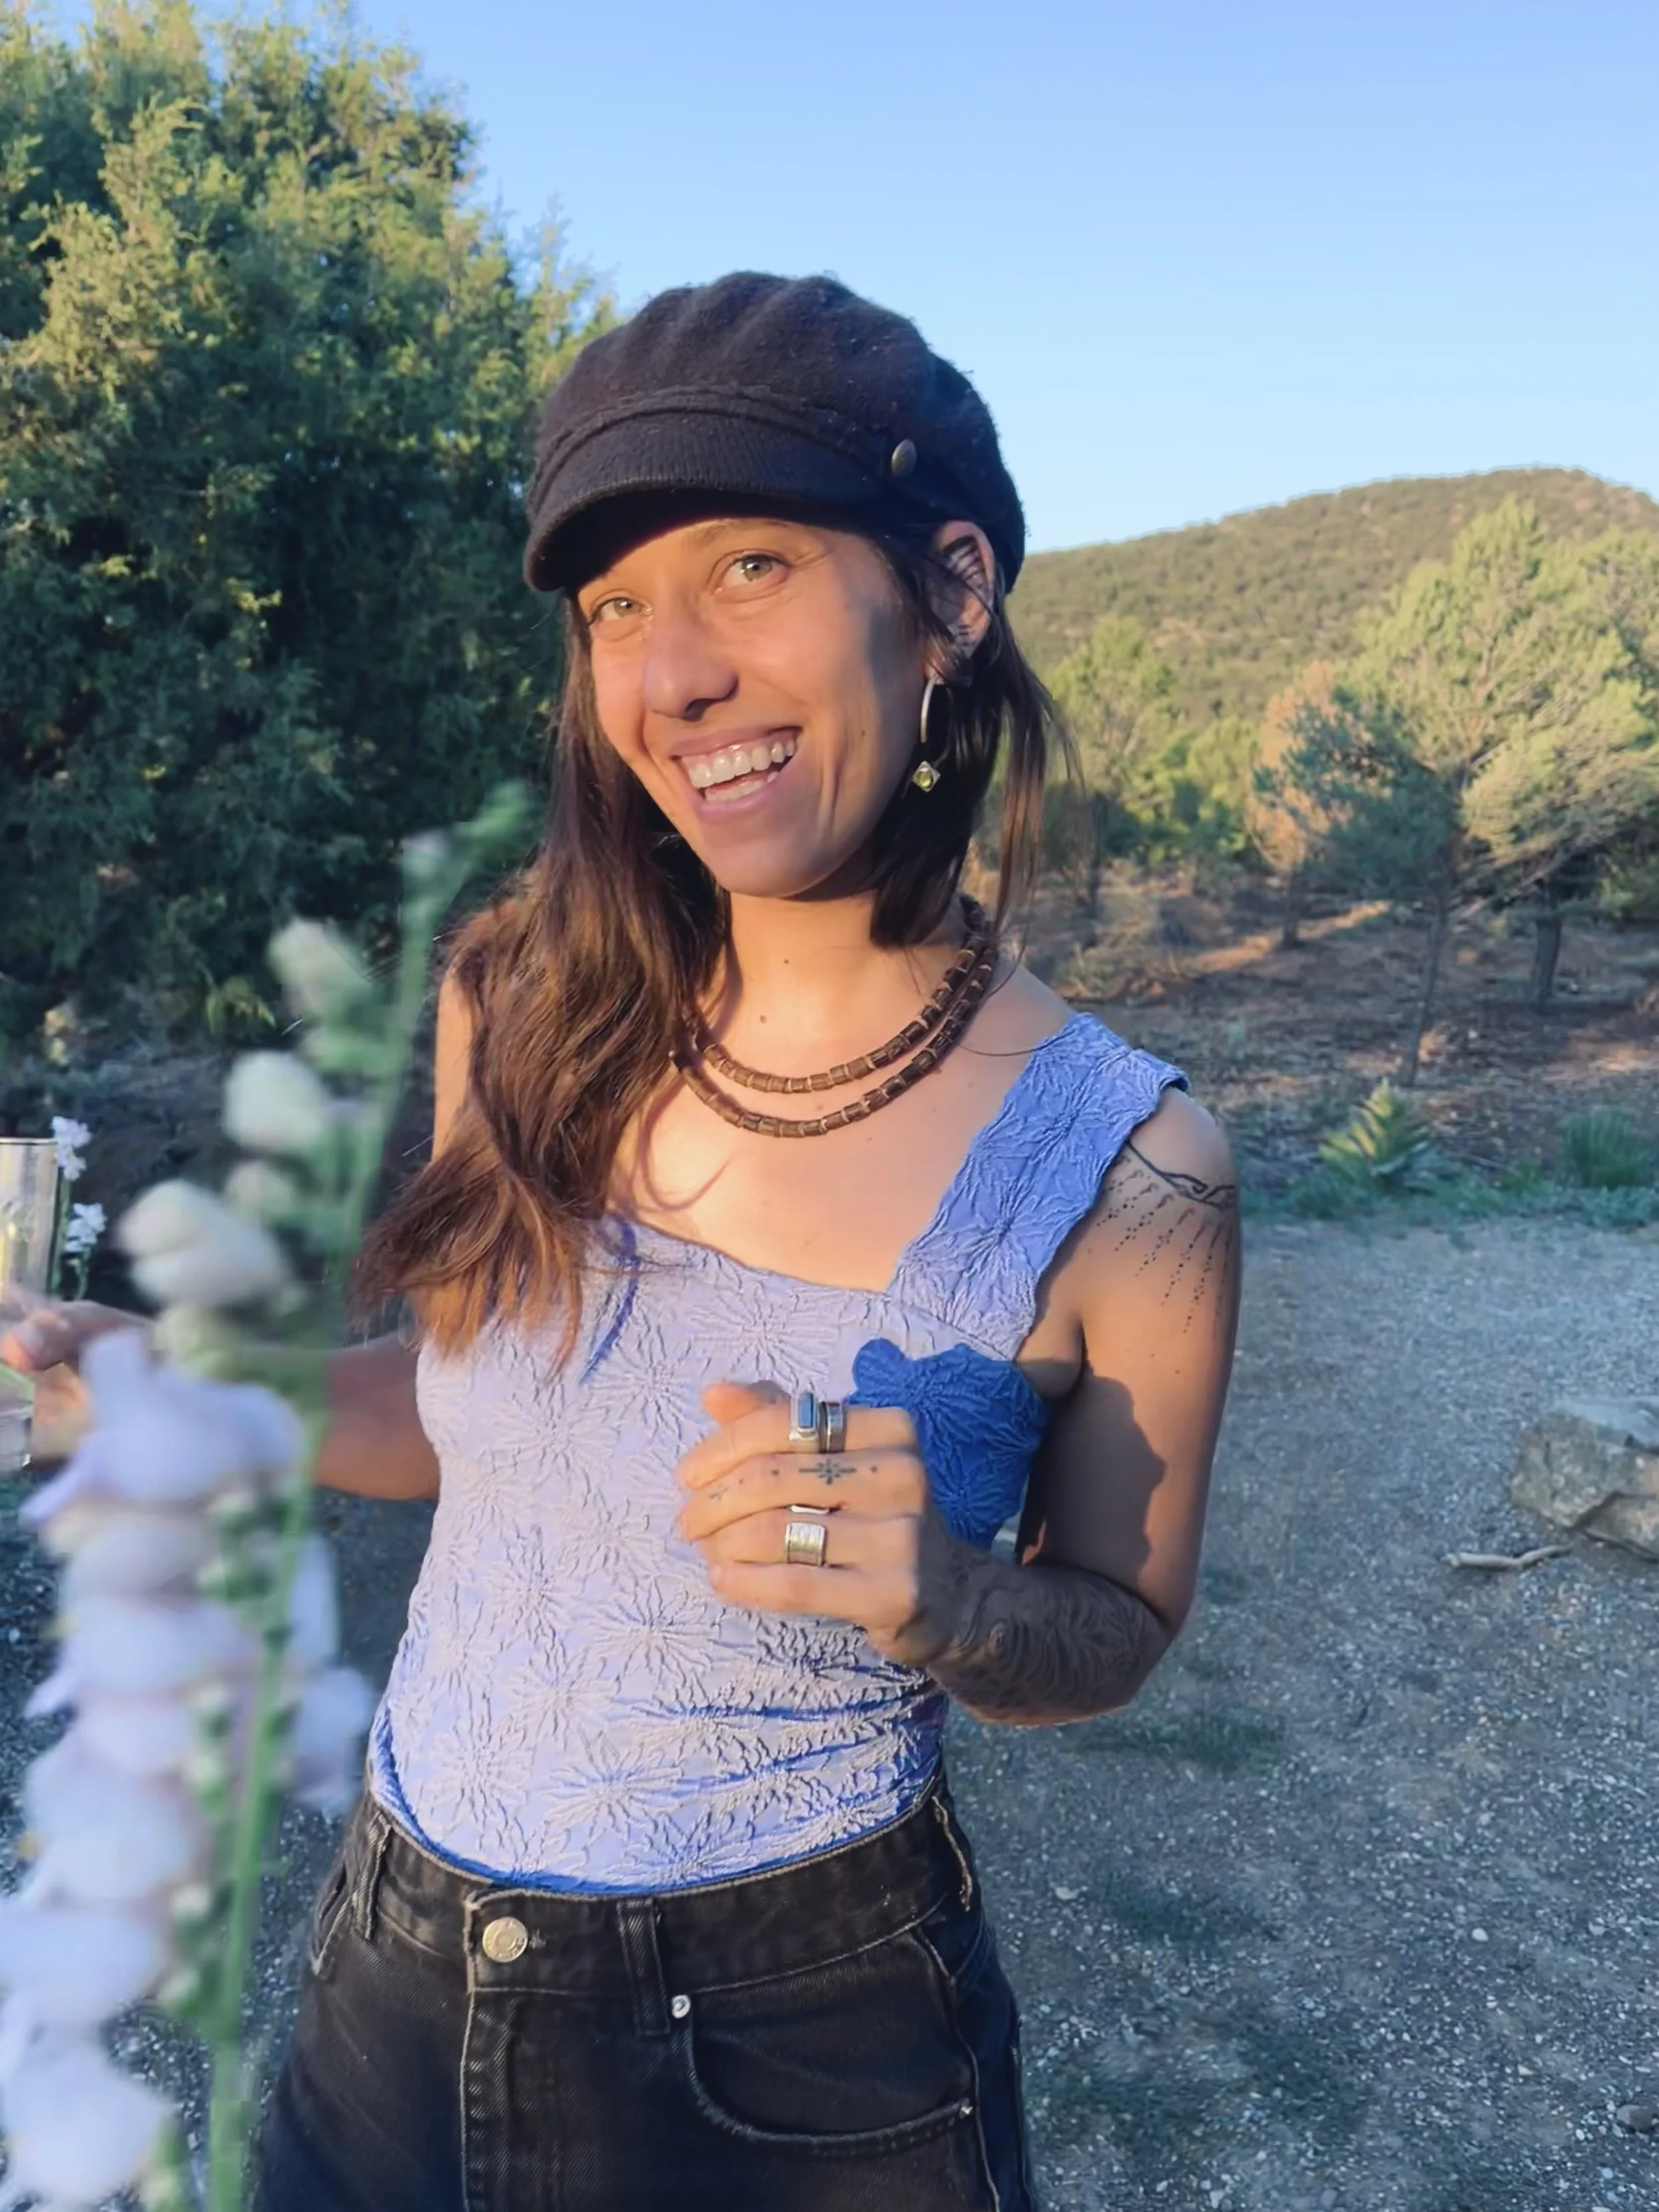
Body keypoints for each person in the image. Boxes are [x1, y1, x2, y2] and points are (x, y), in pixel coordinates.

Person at [1, 272, 1240, 2212]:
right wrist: (139, 1380)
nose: (670, 675)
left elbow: (1118, 1623)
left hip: (798, 2046)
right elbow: (455, 1404)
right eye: (613, 610)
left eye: (745, 562)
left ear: (951, 595)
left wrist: (955, 1606)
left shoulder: (1130, 1169)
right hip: (394, 1975)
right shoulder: (523, 990)